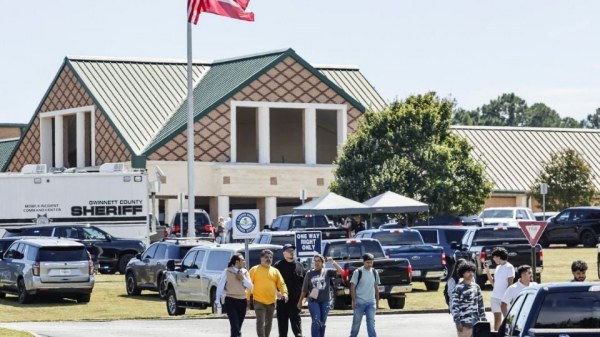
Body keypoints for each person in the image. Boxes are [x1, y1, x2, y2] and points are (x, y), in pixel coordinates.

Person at [297, 254, 342, 337]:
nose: (317, 263)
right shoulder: (309, 273)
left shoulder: (327, 271)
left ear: (322, 262)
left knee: (322, 322)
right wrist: (300, 301)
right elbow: (304, 289)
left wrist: (333, 262)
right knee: (316, 320)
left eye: (319, 261)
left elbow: (341, 272)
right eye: (315, 261)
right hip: (313, 301)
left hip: (325, 301)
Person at [249, 249, 289, 337]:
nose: (269, 259)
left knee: (269, 322)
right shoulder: (254, 270)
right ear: (261, 258)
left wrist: (284, 293)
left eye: (271, 257)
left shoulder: (275, 271)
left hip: (271, 301)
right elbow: (249, 285)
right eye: (266, 257)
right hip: (258, 301)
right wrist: (247, 298)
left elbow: (281, 284)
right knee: (260, 321)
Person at [216, 253, 253, 337]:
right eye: (243, 260)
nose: (244, 261)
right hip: (231, 300)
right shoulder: (227, 271)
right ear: (237, 262)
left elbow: (250, 287)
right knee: (235, 325)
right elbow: (220, 285)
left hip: (242, 301)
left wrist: (242, 279)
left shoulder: (245, 272)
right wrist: (217, 300)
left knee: (237, 326)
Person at [274, 244, 306, 337]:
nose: (291, 253)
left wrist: (303, 298)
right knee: (282, 326)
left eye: (292, 251)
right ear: (284, 253)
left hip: (295, 300)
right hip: (282, 300)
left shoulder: (299, 265)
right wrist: (277, 293)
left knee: (296, 326)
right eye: (288, 251)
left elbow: (304, 283)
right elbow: (273, 281)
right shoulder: (278, 265)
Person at [451, 261, 487, 337]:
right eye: (468, 272)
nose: (471, 274)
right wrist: (458, 322)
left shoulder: (476, 287)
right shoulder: (458, 288)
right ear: (463, 273)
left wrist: (483, 320)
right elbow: (454, 306)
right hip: (463, 324)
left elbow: (481, 305)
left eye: (472, 271)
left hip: (476, 323)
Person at [349, 253, 379, 337]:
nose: (369, 264)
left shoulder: (374, 272)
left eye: (371, 262)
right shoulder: (358, 272)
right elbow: (352, 287)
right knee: (356, 323)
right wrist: (354, 300)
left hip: (371, 302)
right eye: (367, 262)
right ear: (363, 262)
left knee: (371, 322)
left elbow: (376, 287)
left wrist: (377, 301)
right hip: (359, 302)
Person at [484, 247, 514, 331]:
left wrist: (506, 299)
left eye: (494, 257)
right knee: (497, 319)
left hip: (504, 300)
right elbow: (493, 283)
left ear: (498, 257)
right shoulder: (497, 267)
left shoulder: (509, 267)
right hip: (495, 297)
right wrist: (487, 271)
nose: (493, 259)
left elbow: (510, 284)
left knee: (508, 320)